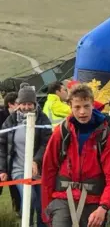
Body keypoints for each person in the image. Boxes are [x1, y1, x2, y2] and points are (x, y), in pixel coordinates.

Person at [41, 84, 110, 226]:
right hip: (62, 198)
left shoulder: (104, 137)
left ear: (93, 105)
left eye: (86, 106)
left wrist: (103, 207)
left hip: (94, 201)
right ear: (70, 106)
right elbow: (49, 169)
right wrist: (47, 206)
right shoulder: (61, 133)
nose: (82, 112)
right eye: (77, 107)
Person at [0, 84, 51, 227]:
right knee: (30, 198)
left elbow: (47, 143)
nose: (26, 107)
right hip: (18, 169)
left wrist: (36, 160)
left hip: (40, 170)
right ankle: (26, 224)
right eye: (23, 103)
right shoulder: (10, 121)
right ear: (18, 104)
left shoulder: (43, 119)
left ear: (34, 104)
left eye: (29, 104)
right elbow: (2, 146)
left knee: (42, 205)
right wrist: (2, 170)